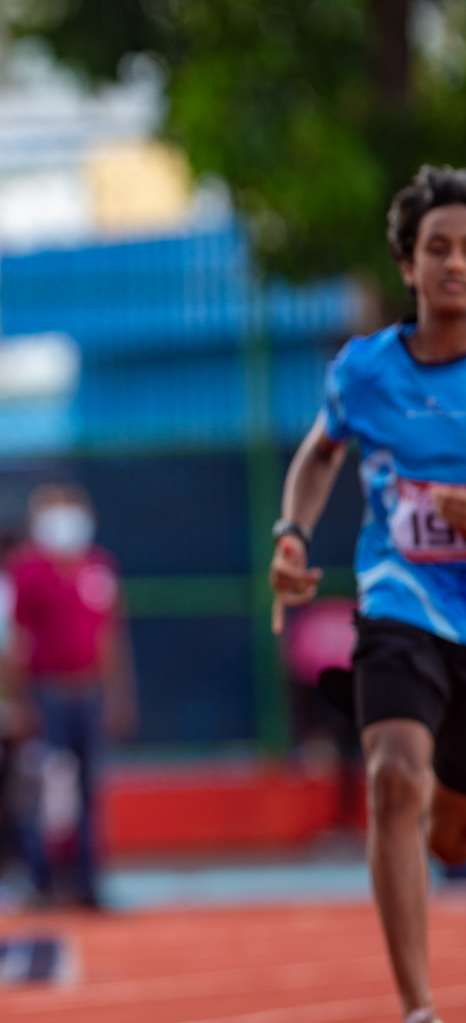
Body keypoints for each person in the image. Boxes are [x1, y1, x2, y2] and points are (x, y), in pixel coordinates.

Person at [271, 164, 466, 1023]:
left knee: (449, 826)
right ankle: (419, 1008)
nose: (455, 263)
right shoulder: (365, 371)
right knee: (393, 778)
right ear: (408, 265)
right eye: (438, 247)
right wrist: (291, 533)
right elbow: (321, 453)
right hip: (403, 601)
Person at [5, 484, 135, 909]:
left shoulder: (99, 567)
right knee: (46, 791)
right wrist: (21, 702)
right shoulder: (27, 570)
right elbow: (18, 639)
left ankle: (87, 882)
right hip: (48, 693)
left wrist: (118, 695)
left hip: (88, 692)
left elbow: (110, 634)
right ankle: (42, 881)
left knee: (89, 791)